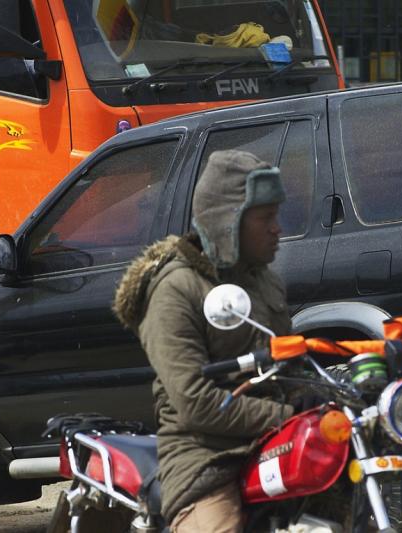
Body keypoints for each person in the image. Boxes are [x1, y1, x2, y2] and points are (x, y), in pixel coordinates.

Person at [113, 149, 293, 532]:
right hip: (206, 458)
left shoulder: (264, 281)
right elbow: (195, 402)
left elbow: (287, 361)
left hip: (274, 441)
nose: (278, 228)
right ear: (229, 222)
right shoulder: (175, 289)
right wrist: (282, 417)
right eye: (266, 218)